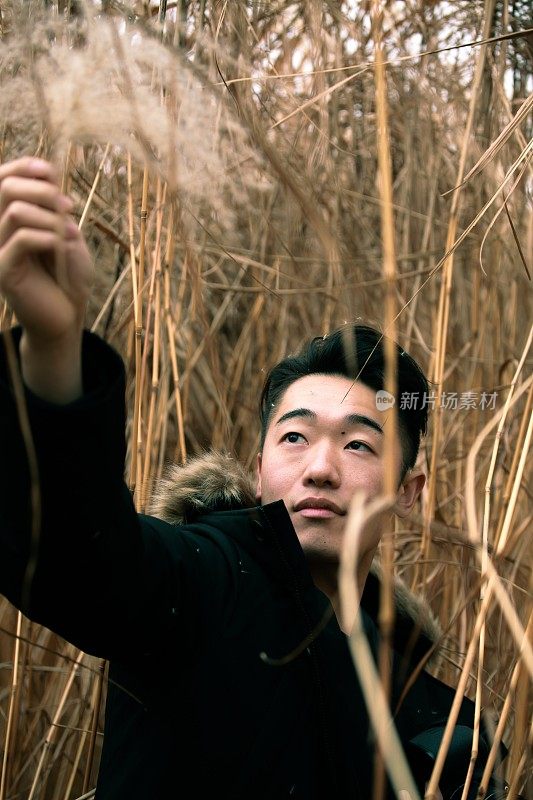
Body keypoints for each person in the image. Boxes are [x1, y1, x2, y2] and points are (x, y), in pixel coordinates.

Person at [0, 157, 508, 799]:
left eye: (357, 444)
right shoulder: (197, 582)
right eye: (294, 437)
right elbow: (74, 554)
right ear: (261, 466)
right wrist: (53, 350)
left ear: (408, 494)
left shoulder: (440, 721)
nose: (319, 469)